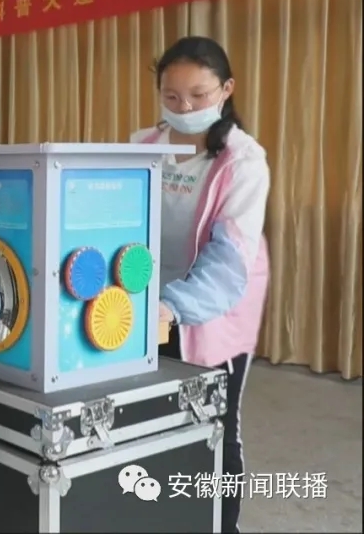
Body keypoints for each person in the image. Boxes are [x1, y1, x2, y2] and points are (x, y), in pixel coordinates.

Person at [133, 36, 270, 534]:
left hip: (215, 308)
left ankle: (223, 526)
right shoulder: (141, 147)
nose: (184, 108)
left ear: (226, 90)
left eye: (198, 95)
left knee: (216, 427)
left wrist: (171, 307)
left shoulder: (241, 160)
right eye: (171, 96)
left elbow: (228, 261)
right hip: (143, 304)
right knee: (144, 418)